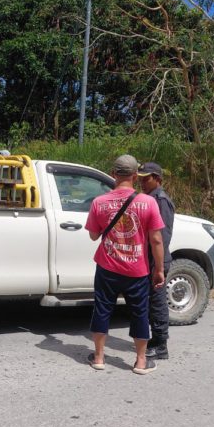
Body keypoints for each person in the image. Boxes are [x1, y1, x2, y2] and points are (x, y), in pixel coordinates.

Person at [84, 154, 165, 375]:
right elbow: (156, 239)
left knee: (102, 309)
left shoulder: (99, 202)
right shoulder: (148, 202)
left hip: (107, 267)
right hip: (137, 269)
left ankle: (99, 357)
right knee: (140, 312)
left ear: (113, 174)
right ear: (135, 176)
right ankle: (140, 361)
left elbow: (93, 236)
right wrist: (159, 270)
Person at [137, 162, 175, 360]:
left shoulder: (160, 201)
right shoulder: (148, 199)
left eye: (147, 178)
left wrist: (156, 265)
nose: (142, 182)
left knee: (157, 302)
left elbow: (162, 236)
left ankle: (161, 344)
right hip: (148, 258)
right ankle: (155, 340)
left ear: (158, 179)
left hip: (156, 260)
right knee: (150, 301)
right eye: (141, 178)